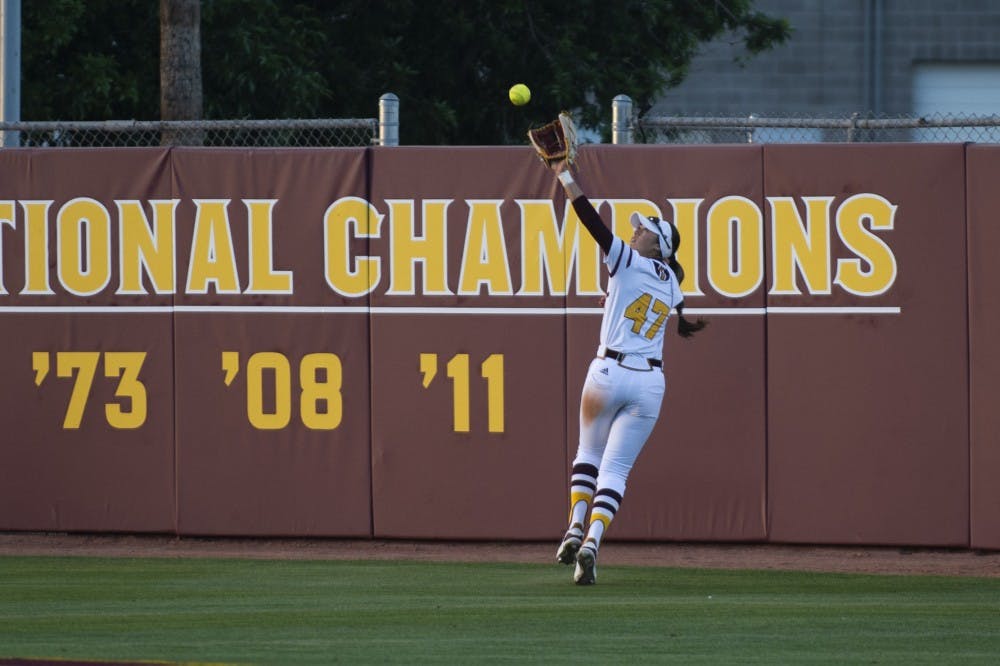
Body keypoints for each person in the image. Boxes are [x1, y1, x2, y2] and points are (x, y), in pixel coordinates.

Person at [550, 160, 706, 585]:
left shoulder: (628, 262)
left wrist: (565, 177)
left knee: (588, 455)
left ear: (658, 246)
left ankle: (574, 526)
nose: (636, 232)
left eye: (645, 230)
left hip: (608, 371)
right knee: (616, 470)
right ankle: (592, 543)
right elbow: (670, 279)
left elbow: (590, 222)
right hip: (649, 383)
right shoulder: (673, 284)